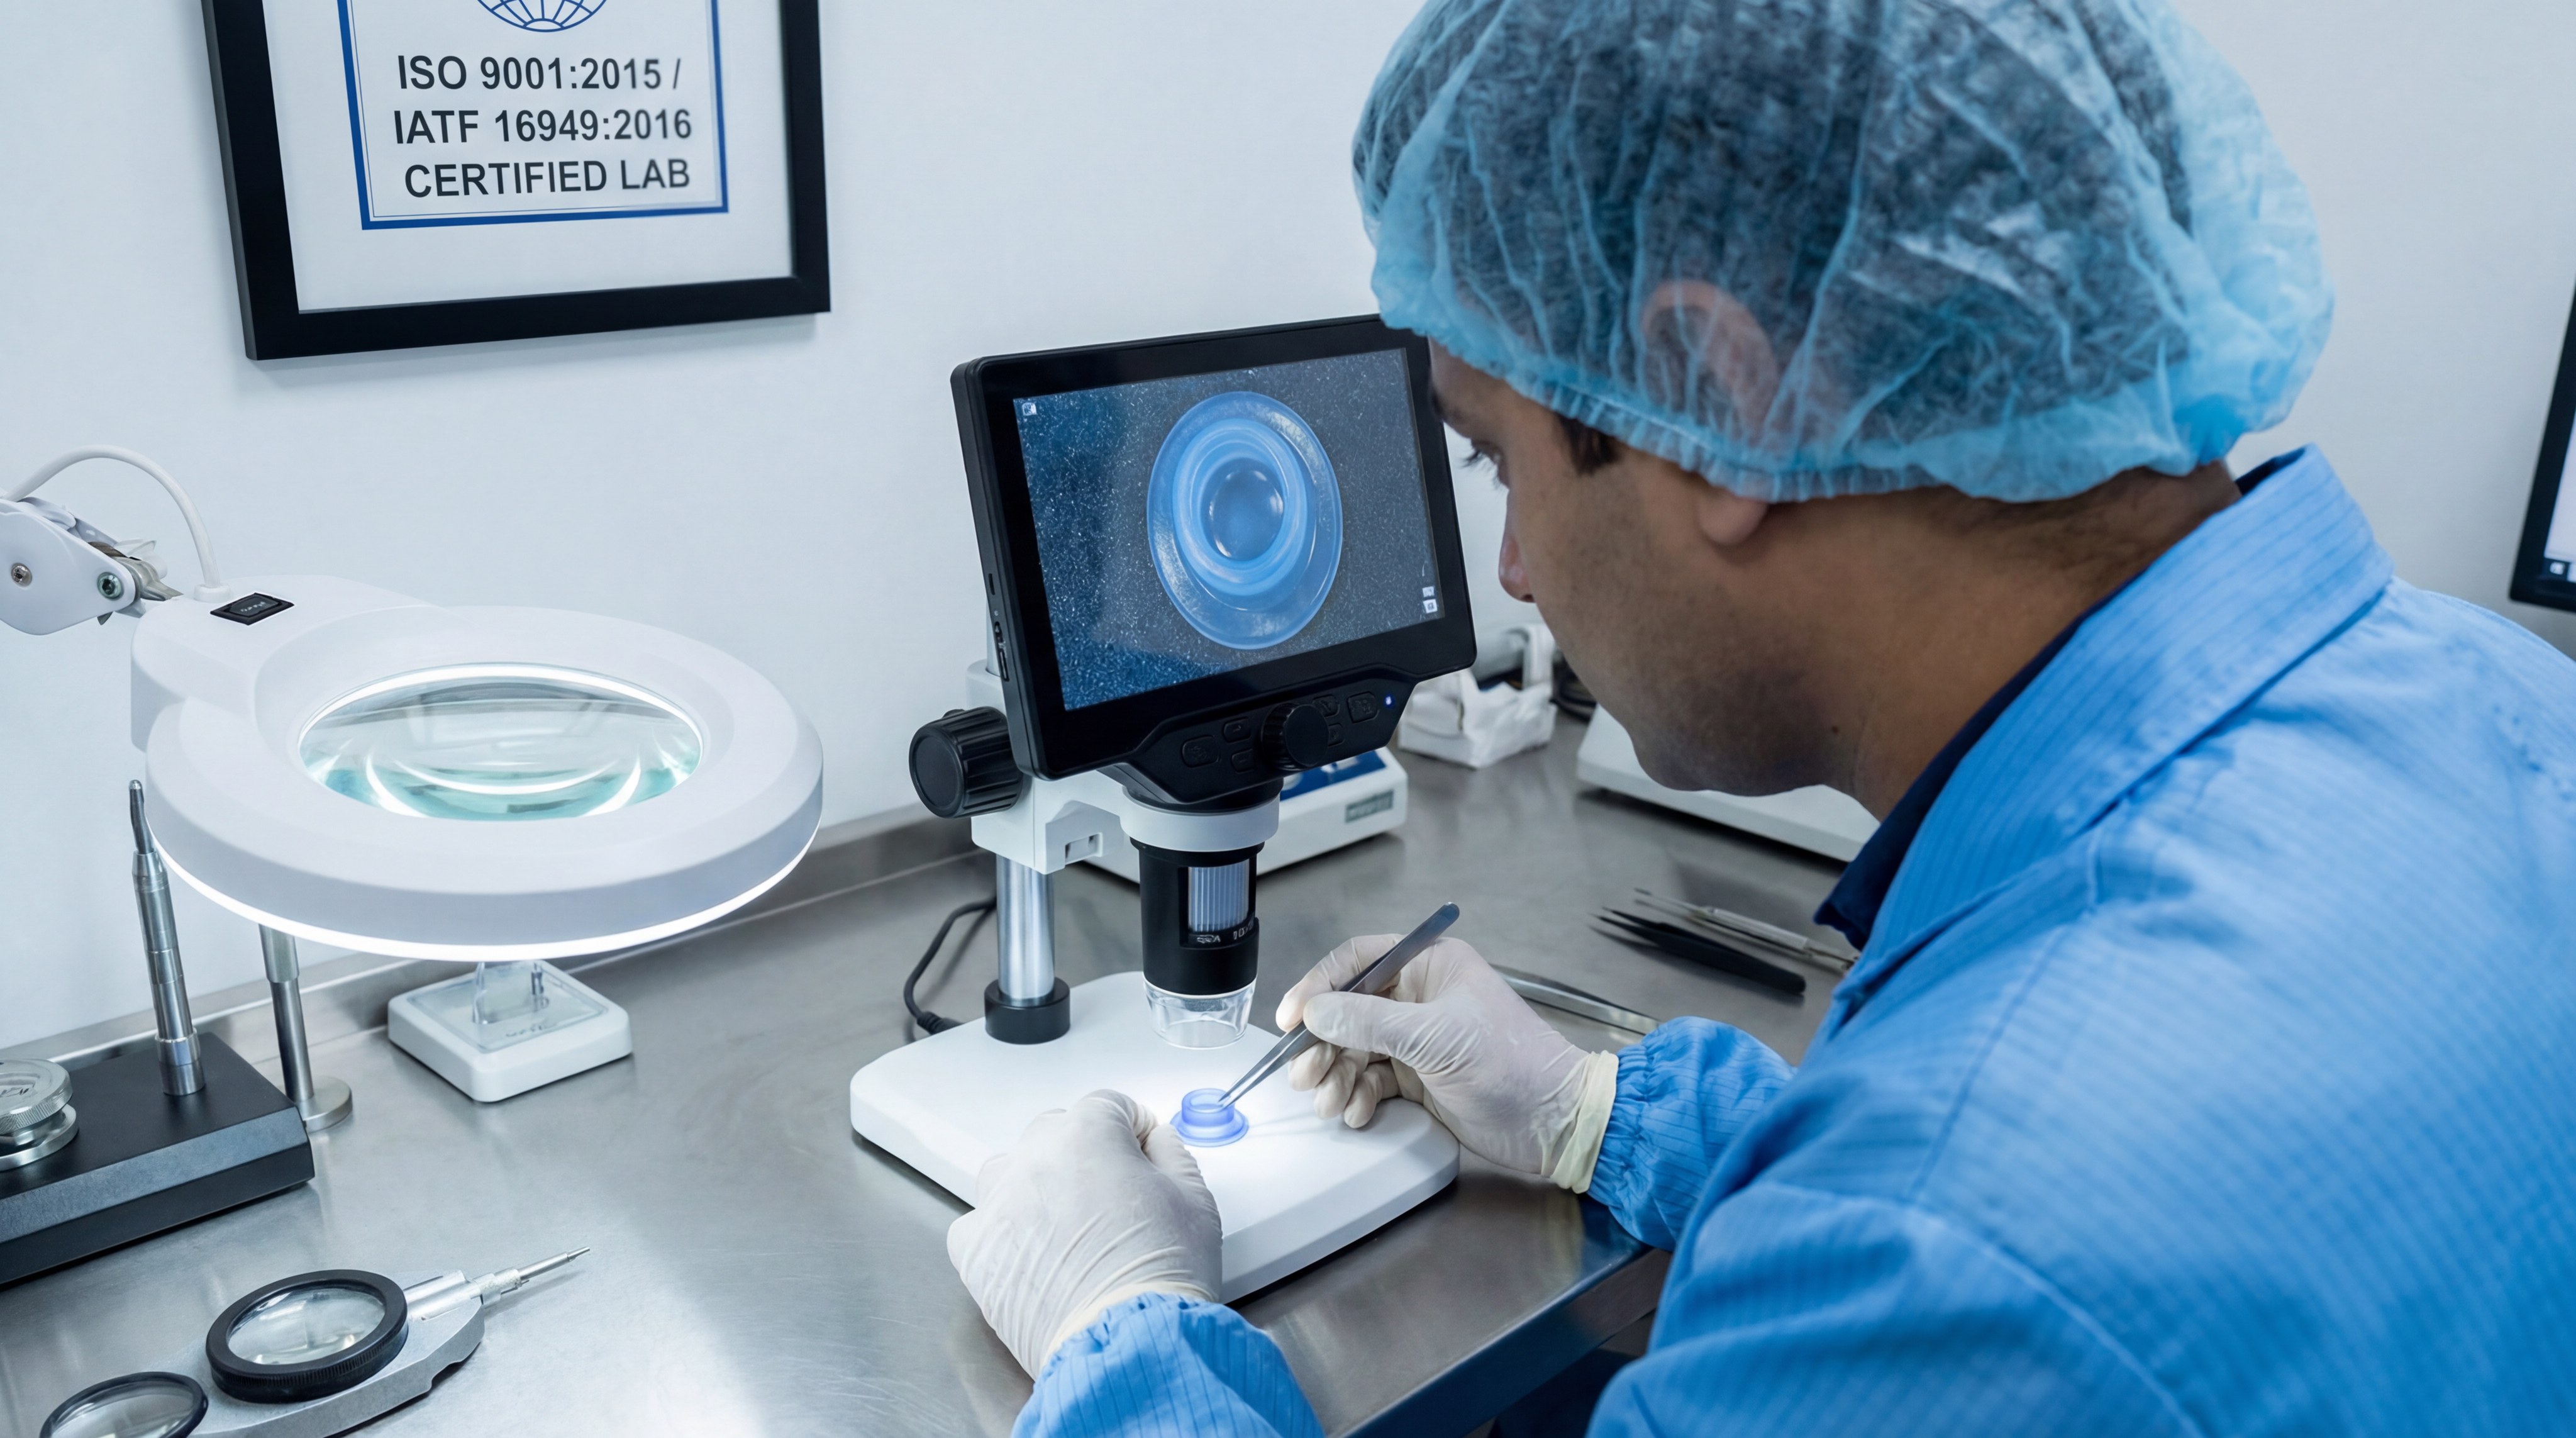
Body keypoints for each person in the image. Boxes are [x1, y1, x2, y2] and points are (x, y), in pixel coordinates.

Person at [943, 0, 2576, 1432]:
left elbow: (1962, 1262)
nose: (1513, 574)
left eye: (1497, 462)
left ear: (1724, 418)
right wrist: (1605, 1110)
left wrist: (1123, 1345)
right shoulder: (2501, 701)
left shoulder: (1960, 1251)